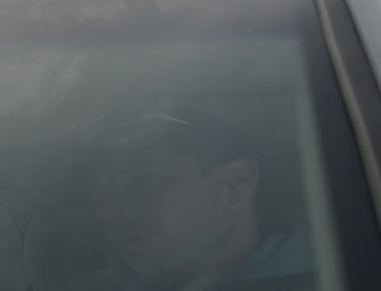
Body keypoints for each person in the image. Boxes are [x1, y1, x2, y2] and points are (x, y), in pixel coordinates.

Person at [87, 108, 312, 291]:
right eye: (100, 201)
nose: (107, 214)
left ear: (236, 184)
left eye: (140, 182)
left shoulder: (337, 272)